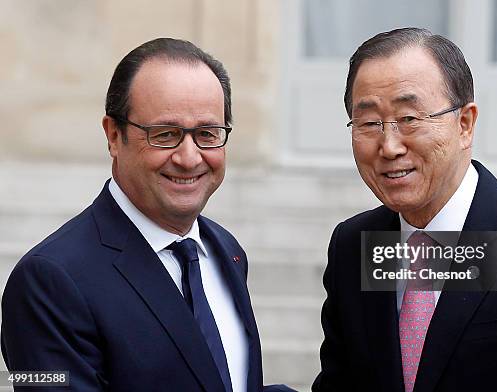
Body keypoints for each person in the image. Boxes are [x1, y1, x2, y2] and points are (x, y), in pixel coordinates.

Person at [312, 28, 497, 392]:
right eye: (370, 123)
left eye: (409, 119)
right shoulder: (355, 244)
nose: (389, 147)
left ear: (465, 124)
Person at [2, 38, 292, 392]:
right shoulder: (47, 281)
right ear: (113, 135)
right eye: (165, 135)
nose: (189, 157)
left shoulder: (225, 250)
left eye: (207, 134)